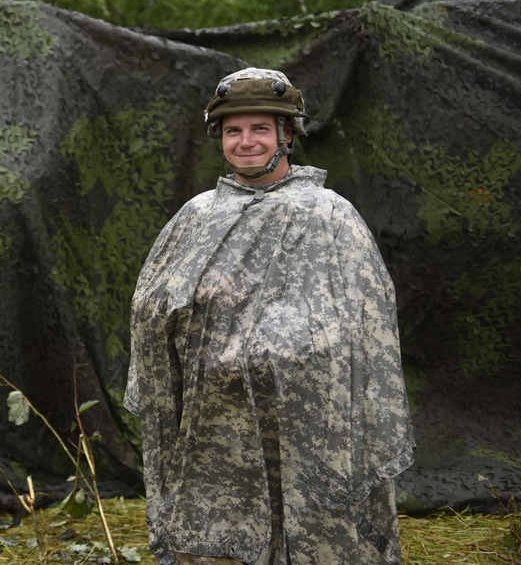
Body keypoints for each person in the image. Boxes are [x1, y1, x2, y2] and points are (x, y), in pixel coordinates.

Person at [125, 68, 414, 565]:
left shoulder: (328, 215)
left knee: (312, 537)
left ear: (287, 135)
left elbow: (362, 323)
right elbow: (150, 308)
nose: (246, 142)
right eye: (234, 131)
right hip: (214, 423)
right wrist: (191, 302)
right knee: (218, 543)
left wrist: (274, 344)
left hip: (305, 427)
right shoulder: (196, 215)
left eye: (260, 129)